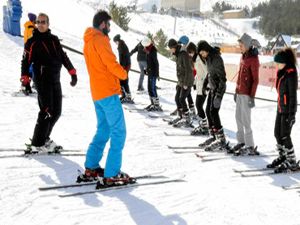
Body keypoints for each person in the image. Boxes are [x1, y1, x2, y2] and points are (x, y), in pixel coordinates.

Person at [80, 10, 129, 182]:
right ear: (102, 24)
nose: (109, 27)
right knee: (119, 132)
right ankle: (112, 173)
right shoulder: (101, 40)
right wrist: (123, 74)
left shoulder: (88, 41)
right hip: (108, 92)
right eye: (108, 24)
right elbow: (110, 63)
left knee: (104, 129)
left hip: (97, 93)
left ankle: (91, 166)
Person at [20, 13, 77, 153]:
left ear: (48, 23)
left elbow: (63, 56)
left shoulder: (54, 39)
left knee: (56, 112)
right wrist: (25, 80)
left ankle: (44, 138)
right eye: (38, 22)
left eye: (43, 22)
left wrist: (72, 72)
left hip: (55, 79)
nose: (40, 24)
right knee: (46, 111)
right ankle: (37, 143)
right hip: (42, 80)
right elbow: (25, 62)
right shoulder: (32, 42)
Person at [266, 48, 299, 173]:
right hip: (280, 108)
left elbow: (293, 96)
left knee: (285, 135)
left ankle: (291, 159)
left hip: (287, 111)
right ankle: (283, 156)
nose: (276, 65)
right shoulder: (282, 72)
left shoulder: (290, 74)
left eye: (278, 63)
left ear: (284, 62)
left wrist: (292, 114)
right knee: (277, 133)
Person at [230, 33, 260, 156]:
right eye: (239, 45)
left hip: (247, 94)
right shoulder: (243, 57)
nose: (240, 47)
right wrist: (236, 91)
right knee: (238, 118)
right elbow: (240, 76)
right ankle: (241, 142)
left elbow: (255, 80)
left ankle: (250, 145)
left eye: (241, 45)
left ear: (247, 45)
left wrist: (252, 97)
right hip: (240, 92)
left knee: (246, 121)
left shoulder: (253, 59)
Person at [197, 41, 227, 151]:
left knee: (214, 112)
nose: (202, 55)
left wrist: (219, 95)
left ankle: (221, 139)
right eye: (200, 53)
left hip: (219, 89)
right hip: (213, 89)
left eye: (202, 52)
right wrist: (205, 84)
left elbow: (223, 79)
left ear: (207, 49)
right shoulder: (209, 58)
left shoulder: (216, 59)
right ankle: (213, 135)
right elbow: (209, 74)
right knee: (208, 111)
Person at [167, 38, 194, 127]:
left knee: (182, 98)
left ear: (174, 47)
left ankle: (187, 118)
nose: (170, 50)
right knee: (177, 98)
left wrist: (186, 83)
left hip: (187, 81)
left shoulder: (183, 54)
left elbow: (188, 70)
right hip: (181, 81)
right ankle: (181, 116)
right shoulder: (178, 54)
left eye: (170, 48)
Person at [187, 42, 209, 136]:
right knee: (198, 105)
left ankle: (204, 126)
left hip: (204, 86)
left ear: (193, 51)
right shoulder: (196, 59)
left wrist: (206, 86)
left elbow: (207, 72)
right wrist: (195, 83)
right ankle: (203, 125)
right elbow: (198, 73)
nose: (189, 55)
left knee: (199, 105)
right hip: (200, 85)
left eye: (190, 53)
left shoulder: (199, 59)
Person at [141, 36, 162, 111]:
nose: (144, 48)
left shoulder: (152, 51)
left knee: (152, 88)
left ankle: (156, 104)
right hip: (150, 72)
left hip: (153, 73)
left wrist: (157, 74)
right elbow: (149, 62)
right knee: (149, 88)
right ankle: (153, 103)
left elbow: (156, 63)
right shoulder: (148, 50)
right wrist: (146, 70)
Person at [113, 34, 133, 104]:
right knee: (123, 80)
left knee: (123, 80)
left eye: (115, 42)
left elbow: (123, 57)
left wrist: (122, 67)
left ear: (117, 41)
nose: (115, 43)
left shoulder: (121, 46)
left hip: (125, 66)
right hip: (126, 65)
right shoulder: (122, 45)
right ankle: (125, 95)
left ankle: (127, 96)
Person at [22, 13, 37, 95]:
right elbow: (33, 40)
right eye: (35, 20)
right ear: (33, 20)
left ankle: (27, 85)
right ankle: (34, 84)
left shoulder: (28, 27)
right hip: (31, 51)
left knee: (27, 67)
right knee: (33, 67)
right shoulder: (31, 29)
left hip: (27, 49)